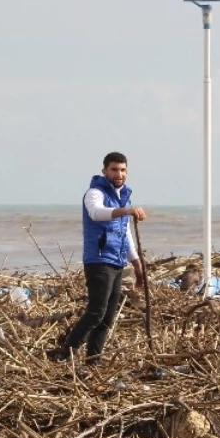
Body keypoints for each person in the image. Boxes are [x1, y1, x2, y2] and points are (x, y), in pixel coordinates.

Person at [50, 152, 146, 364]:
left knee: (107, 318)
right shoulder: (95, 192)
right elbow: (96, 213)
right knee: (96, 311)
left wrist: (137, 263)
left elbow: (125, 233)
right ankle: (65, 353)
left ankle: (93, 360)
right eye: (114, 169)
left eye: (122, 170)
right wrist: (126, 210)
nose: (118, 174)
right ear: (105, 171)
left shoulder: (123, 196)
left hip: (117, 261)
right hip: (99, 260)